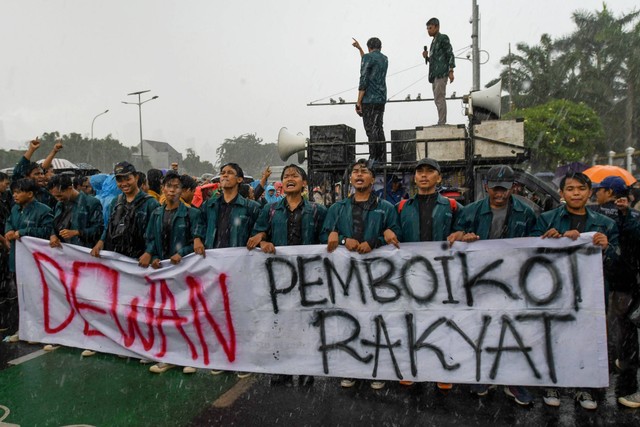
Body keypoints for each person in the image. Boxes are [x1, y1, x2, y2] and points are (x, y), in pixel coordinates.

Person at [449, 165, 537, 406]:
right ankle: (482, 376)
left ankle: (514, 381)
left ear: (513, 188)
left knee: (513, 331)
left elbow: (538, 244)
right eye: (496, 189)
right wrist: (462, 236)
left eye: (505, 189)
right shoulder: (470, 211)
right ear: (486, 187)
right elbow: (454, 237)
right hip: (480, 283)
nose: (500, 194)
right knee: (482, 329)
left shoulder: (527, 213)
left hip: (513, 281)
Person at [531, 171, 619, 410]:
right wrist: (547, 241)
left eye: (581, 188)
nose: (576, 193)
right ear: (562, 194)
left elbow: (616, 261)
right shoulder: (547, 220)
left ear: (589, 192)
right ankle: (553, 384)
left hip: (590, 294)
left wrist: (606, 247)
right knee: (554, 338)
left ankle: (585, 387)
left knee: (588, 340)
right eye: (570, 189)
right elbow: (531, 256)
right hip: (555, 292)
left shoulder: (606, 225)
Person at [321, 158, 401, 390]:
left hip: (379, 279)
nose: (358, 175)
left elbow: (398, 236)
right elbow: (324, 236)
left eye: (364, 172)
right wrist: (342, 238)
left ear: (373, 179)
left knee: (377, 323)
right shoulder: (337, 209)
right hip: (346, 278)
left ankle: (377, 369)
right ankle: (351, 368)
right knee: (349, 323)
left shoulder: (386, 208)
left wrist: (376, 240)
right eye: (354, 171)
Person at [247, 164, 327, 387]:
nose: (290, 178)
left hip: (308, 276)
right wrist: (263, 240)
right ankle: (283, 368)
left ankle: (305, 368)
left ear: (304, 184)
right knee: (280, 322)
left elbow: (324, 240)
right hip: (280, 279)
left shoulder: (318, 211)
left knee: (306, 321)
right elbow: (257, 234)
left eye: (295, 175)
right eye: (286, 176)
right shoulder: (271, 210)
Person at [140, 170, 205, 374]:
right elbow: (150, 238)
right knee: (165, 314)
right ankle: (169, 355)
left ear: (182, 190)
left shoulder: (192, 213)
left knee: (186, 314)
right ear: (163, 189)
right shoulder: (156, 214)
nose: (172, 190)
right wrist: (152, 254)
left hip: (185, 273)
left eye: (176, 187)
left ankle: (191, 356)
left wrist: (182, 253)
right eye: (169, 186)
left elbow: (197, 241)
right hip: (163, 272)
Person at [201, 162, 261, 378]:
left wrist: (260, 236)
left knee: (240, 313)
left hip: (241, 270)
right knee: (218, 313)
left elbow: (261, 229)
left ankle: (243, 358)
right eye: (222, 173)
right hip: (214, 269)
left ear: (239, 180)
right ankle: (222, 356)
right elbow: (199, 227)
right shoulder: (210, 206)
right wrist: (198, 239)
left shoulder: (251, 208)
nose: (225, 176)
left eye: (230, 173)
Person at [589, 176, 640, 405]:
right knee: (620, 329)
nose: (595, 194)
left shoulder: (605, 215)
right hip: (621, 283)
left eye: (599, 190)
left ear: (610, 192)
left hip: (619, 284)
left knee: (619, 330)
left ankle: (622, 382)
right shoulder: (627, 215)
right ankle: (620, 371)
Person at [4, 178, 54, 343]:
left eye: (19, 192)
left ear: (30, 194)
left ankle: (39, 330)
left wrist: (24, 232)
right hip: (16, 261)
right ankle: (23, 329)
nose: (15, 195)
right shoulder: (15, 210)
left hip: (35, 262)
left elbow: (47, 232)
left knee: (36, 297)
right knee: (19, 297)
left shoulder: (44, 210)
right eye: (14, 192)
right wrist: (9, 231)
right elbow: (9, 224)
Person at [90, 162, 159, 261]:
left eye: (128, 179)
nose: (124, 184)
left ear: (136, 177)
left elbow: (156, 233)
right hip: (117, 260)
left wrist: (149, 252)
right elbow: (109, 226)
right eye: (119, 180)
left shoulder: (150, 203)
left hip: (139, 261)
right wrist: (101, 241)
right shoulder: (116, 202)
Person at [353, 37, 388, 163]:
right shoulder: (384, 59)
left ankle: (373, 157)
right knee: (379, 127)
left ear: (369, 47)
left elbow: (364, 79)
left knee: (371, 129)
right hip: (381, 98)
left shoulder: (368, 58)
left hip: (369, 99)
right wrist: (360, 49)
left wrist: (358, 102)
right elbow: (368, 60)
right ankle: (382, 157)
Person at [48, 174, 103, 249]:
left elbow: (98, 229)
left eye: (59, 196)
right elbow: (54, 225)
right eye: (55, 196)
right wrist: (53, 235)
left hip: (84, 251)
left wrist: (77, 232)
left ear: (70, 188)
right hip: (64, 250)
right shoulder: (59, 204)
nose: (58, 199)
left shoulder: (91, 203)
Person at [423, 17, 455, 125]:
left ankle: (442, 121)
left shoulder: (443, 38)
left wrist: (451, 70)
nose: (428, 30)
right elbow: (434, 59)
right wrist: (427, 57)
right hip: (435, 74)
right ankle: (441, 120)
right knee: (437, 98)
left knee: (440, 97)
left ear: (437, 27)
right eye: (427, 28)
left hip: (441, 73)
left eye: (430, 28)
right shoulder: (433, 42)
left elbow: (450, 54)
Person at [11, 138, 57, 209]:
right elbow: (17, 172)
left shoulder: (45, 193)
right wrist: (31, 150)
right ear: (26, 177)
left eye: (42, 174)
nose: (41, 176)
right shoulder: (20, 191)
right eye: (37, 174)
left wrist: (54, 151)